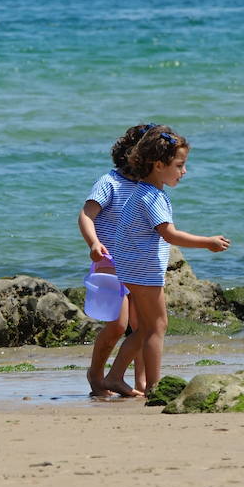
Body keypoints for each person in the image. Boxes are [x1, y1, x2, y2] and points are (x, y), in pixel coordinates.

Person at [102, 125, 230, 396]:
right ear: (159, 165)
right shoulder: (152, 197)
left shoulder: (142, 191)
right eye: (180, 165)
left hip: (131, 266)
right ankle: (154, 387)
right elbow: (169, 234)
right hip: (142, 269)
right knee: (157, 327)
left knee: (146, 328)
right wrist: (206, 242)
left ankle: (114, 377)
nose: (184, 172)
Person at [77, 123, 155, 398]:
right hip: (110, 265)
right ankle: (96, 374)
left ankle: (141, 381)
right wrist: (94, 243)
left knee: (142, 327)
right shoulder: (109, 182)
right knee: (118, 325)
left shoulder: (148, 186)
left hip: (139, 264)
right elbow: (86, 215)